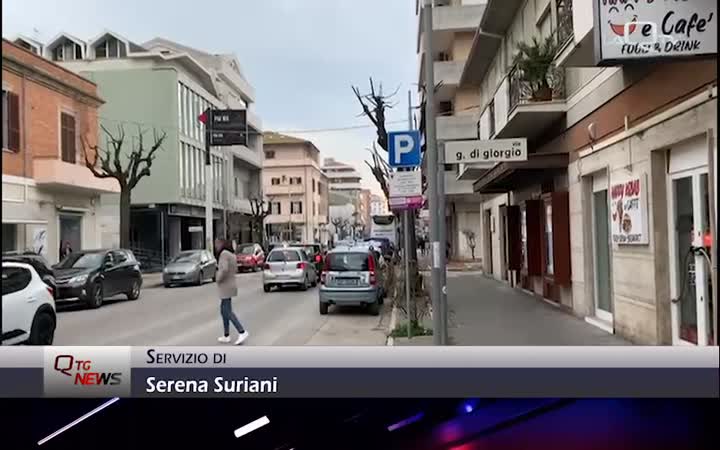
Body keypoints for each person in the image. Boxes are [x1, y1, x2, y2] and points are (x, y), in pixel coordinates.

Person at [214, 237, 249, 345]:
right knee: (224, 310)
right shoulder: (231, 255)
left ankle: (242, 331)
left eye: (217, 243)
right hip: (230, 284)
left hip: (225, 285)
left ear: (222, 244)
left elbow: (224, 269)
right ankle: (226, 335)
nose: (215, 246)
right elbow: (234, 269)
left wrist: (218, 277)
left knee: (227, 311)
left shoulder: (224, 254)